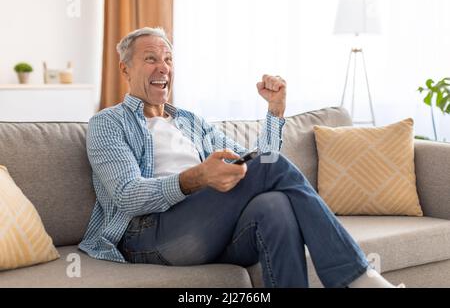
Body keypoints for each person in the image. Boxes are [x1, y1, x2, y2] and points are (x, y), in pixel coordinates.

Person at [79, 27, 401, 288]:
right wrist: (199, 178)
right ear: (125, 68)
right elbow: (128, 196)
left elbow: (253, 163)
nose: (163, 67)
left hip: (209, 229)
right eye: (150, 58)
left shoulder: (191, 122)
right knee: (267, 168)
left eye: (168, 59)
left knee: (274, 205)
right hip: (149, 236)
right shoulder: (108, 123)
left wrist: (275, 112)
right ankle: (359, 278)